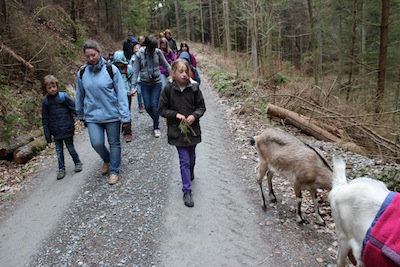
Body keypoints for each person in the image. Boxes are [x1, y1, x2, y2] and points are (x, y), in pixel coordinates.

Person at [75, 39, 130, 185]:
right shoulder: (82, 73)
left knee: (114, 143)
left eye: (93, 55)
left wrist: (125, 116)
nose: (91, 58)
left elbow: (121, 93)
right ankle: (107, 160)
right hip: (92, 115)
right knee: (96, 143)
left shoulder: (111, 70)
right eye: (88, 56)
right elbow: (80, 94)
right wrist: (80, 113)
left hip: (111, 113)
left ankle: (114, 170)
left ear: (99, 53)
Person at [158, 59, 206, 207]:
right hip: (177, 131)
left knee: (191, 158)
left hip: (192, 130)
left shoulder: (194, 88)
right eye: (180, 71)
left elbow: (201, 107)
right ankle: (186, 190)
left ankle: (190, 172)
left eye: (186, 71)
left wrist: (194, 116)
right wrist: (175, 115)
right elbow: (162, 109)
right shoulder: (167, 90)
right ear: (173, 72)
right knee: (184, 160)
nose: (184, 75)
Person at [41, 75, 82, 180]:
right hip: (55, 131)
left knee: (70, 147)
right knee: (59, 151)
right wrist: (48, 137)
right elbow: (45, 120)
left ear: (57, 85)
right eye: (49, 88)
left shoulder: (63, 97)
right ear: (45, 89)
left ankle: (77, 162)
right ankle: (61, 169)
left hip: (67, 128)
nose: (52, 89)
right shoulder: (46, 102)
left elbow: (74, 108)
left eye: (54, 86)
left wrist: (82, 118)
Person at [132, 35, 171, 138]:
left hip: (156, 83)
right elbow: (135, 71)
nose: (153, 50)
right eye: (151, 48)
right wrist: (133, 86)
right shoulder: (139, 54)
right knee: (148, 106)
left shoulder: (158, 52)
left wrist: (174, 74)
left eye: (154, 48)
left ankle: (156, 127)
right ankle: (155, 118)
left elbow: (166, 65)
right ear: (147, 45)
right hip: (144, 83)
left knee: (154, 105)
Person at [112, 50, 136, 143]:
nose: (118, 64)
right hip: (115, 94)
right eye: (117, 62)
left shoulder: (128, 68)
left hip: (127, 93)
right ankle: (119, 128)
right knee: (116, 112)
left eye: (120, 62)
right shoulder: (112, 69)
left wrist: (133, 88)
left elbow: (133, 79)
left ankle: (128, 131)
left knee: (126, 111)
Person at [131, 43, 144, 113]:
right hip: (137, 79)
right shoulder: (132, 58)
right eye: (135, 48)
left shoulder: (143, 57)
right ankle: (140, 105)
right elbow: (131, 68)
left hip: (144, 78)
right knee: (139, 92)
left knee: (144, 92)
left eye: (138, 48)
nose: (137, 50)